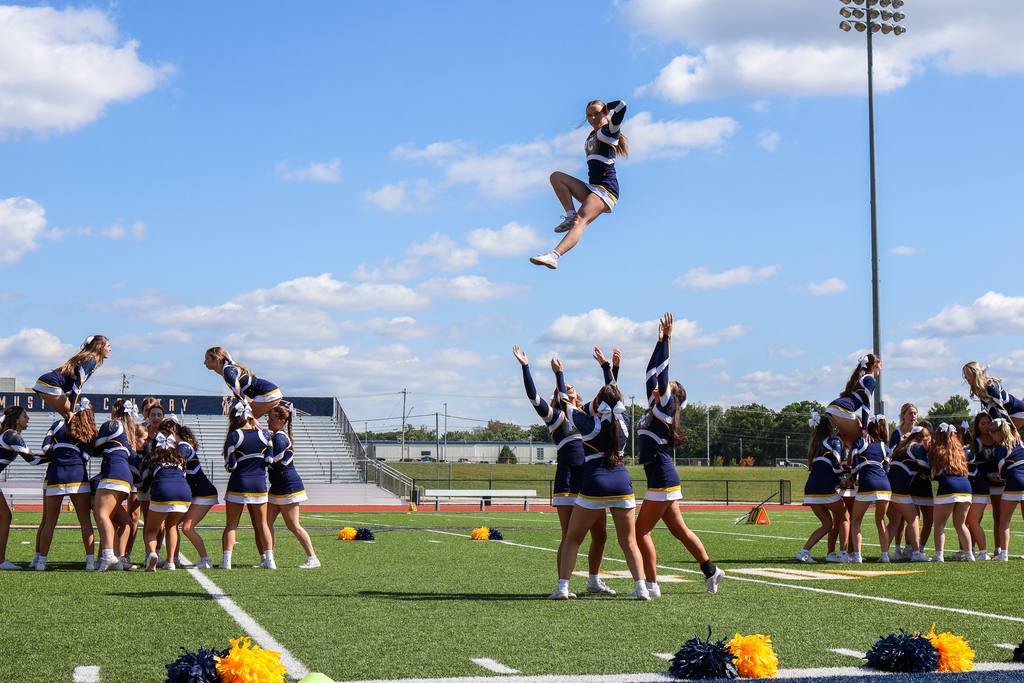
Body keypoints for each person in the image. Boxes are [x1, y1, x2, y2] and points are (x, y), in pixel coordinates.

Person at [633, 313, 723, 595]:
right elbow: (651, 372)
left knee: (640, 532)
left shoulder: (666, 407)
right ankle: (712, 571)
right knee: (679, 530)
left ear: (675, 396)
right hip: (661, 474)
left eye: (668, 386)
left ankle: (651, 585)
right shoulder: (654, 404)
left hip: (660, 474)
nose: (661, 385)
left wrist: (670, 338)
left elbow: (662, 372)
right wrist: (658, 341)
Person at [512, 346, 613, 594]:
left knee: (600, 536)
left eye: (572, 387)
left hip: (591, 479)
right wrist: (526, 366)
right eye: (564, 387)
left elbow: (612, 396)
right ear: (558, 396)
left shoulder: (586, 414)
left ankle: (593, 582)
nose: (569, 387)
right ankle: (563, 586)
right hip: (568, 480)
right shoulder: (555, 416)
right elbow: (534, 396)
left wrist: (608, 367)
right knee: (570, 536)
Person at [549, 360, 651, 600]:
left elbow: (564, 402)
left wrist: (559, 374)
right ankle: (641, 588)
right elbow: (614, 394)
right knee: (629, 542)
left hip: (594, 483)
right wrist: (609, 368)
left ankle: (563, 587)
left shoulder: (589, 424)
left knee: (572, 539)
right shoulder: (624, 421)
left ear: (597, 403)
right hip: (622, 483)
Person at [530, 99, 628, 270]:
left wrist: (607, 108)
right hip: (592, 188)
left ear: (605, 112)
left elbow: (622, 106)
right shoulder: (592, 135)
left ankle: (554, 256)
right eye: (589, 115)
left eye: (597, 112)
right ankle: (569, 214)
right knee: (557, 177)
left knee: (580, 222)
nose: (592, 117)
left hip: (606, 190)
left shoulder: (610, 131)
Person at [35, 399, 97, 571]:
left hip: (56, 474)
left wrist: (57, 458)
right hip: (77, 473)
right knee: (85, 520)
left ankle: (41, 562)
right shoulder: (85, 428)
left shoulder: (58, 424)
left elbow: (45, 447)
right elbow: (86, 457)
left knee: (50, 521)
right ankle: (90, 562)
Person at [264, 404, 320, 569]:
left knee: (293, 525)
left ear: (281, 421)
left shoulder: (279, 438)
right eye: (268, 418)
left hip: (288, 485)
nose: (268, 421)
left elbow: (275, 464)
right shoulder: (275, 436)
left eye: (271, 419)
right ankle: (268, 558)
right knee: (266, 524)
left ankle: (313, 558)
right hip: (277, 485)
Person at [220, 401, 274, 570]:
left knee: (231, 525)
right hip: (259, 484)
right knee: (263, 524)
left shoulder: (234, 435)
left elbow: (232, 465)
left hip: (239, 483)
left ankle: (227, 561)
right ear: (251, 416)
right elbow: (269, 460)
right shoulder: (265, 435)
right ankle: (270, 560)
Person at [93, 399, 139, 572]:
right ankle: (119, 559)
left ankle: (108, 555)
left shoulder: (112, 425)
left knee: (101, 515)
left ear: (116, 410)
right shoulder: (128, 433)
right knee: (124, 520)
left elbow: (95, 449)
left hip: (112, 473)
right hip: (126, 479)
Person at [797, 411, 849, 563]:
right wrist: (845, 477)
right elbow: (837, 467)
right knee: (845, 517)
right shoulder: (833, 442)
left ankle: (804, 552)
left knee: (827, 524)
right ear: (828, 427)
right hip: (824, 486)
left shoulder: (815, 445)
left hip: (811, 489)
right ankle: (844, 555)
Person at [143, 421, 192, 571]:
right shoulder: (180, 456)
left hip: (163, 490)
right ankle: (171, 561)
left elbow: (144, 484)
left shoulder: (151, 457)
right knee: (172, 525)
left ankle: (152, 553)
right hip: (184, 492)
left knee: (151, 529)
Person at [0, 407, 45, 569]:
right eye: (25, 416)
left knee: (5, 517)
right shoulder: (11, 435)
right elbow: (32, 460)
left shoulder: (8, 434)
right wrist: (58, 455)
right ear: (17, 419)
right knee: (5, 517)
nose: (28, 419)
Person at [847, 416, 892, 563]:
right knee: (881, 521)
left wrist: (854, 480)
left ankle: (857, 556)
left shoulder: (859, 442)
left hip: (867, 482)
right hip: (884, 485)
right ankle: (885, 555)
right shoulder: (884, 446)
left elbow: (854, 465)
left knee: (856, 520)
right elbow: (885, 469)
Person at [32, 335, 110, 419]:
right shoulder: (91, 360)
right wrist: (71, 410)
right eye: (108, 346)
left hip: (47, 382)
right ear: (100, 348)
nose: (110, 349)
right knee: (72, 418)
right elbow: (77, 385)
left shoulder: (90, 359)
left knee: (72, 418)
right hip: (51, 383)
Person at [929, 423, 973, 562]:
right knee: (961, 524)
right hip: (966, 487)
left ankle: (939, 555)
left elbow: (933, 474)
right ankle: (969, 554)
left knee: (940, 523)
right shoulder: (961, 451)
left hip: (948, 485)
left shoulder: (937, 451)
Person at [175, 423, 217, 569]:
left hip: (204, 493)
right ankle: (173, 558)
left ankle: (205, 560)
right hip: (197, 493)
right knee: (172, 523)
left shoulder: (183, 446)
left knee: (187, 528)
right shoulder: (180, 446)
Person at [885, 426, 929, 562]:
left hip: (888, 483)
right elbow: (925, 469)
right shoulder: (917, 447)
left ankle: (884, 553)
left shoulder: (902, 444)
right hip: (899, 486)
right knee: (913, 518)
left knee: (894, 521)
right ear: (922, 438)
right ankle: (916, 553)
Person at [205, 347, 282, 420]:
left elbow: (239, 393)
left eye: (207, 359)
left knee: (245, 421)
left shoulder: (228, 372)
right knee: (242, 420)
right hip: (270, 391)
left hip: (268, 392)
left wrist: (249, 413)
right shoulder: (227, 370)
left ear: (216, 359)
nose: (204, 362)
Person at [826, 354, 881, 446]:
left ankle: (841, 455)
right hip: (843, 409)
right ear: (874, 366)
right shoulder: (870, 379)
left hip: (832, 408)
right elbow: (866, 405)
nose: (881, 368)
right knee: (866, 441)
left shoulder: (860, 378)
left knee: (850, 440)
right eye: (880, 366)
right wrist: (864, 428)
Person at [886, 403, 918, 559]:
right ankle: (897, 549)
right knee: (898, 519)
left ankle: (909, 548)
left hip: (913, 479)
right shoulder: (897, 433)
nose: (913, 416)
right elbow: (890, 453)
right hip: (899, 477)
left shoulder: (919, 433)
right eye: (910, 413)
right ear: (903, 415)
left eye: (915, 413)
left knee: (908, 517)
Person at [991, 418, 1023, 560]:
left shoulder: (1001, 448)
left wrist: (995, 477)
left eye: (993, 436)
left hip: (1015, 481)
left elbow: (1003, 474)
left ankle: (1003, 554)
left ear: (998, 434)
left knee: (1004, 520)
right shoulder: (1019, 442)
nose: (993, 439)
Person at [972, 412, 1002, 559]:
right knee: (975, 518)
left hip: (998, 483)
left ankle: (998, 548)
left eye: (988, 423)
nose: (986, 426)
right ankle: (971, 548)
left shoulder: (998, 439)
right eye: (983, 424)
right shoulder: (976, 442)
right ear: (977, 426)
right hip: (982, 484)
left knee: (999, 515)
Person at [963, 361, 1024, 431]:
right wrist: (996, 423)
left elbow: (1001, 409)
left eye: (967, 374)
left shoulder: (990, 386)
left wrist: (1014, 430)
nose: (965, 377)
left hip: (1019, 410)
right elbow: (990, 408)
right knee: (996, 433)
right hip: (1008, 413)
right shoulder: (978, 390)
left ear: (975, 373)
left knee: (1006, 435)